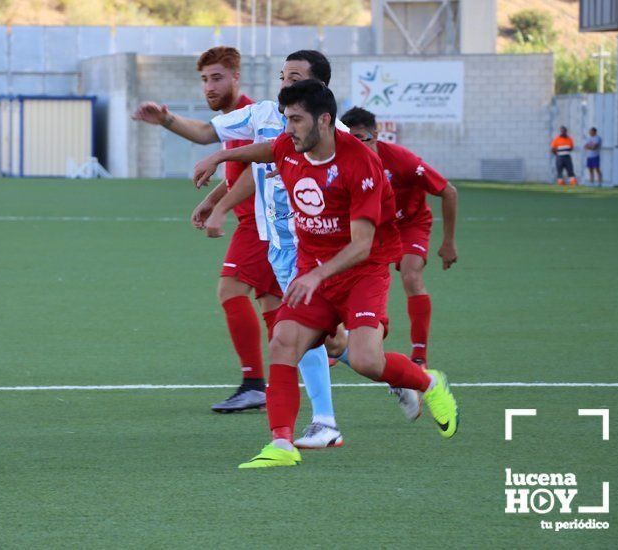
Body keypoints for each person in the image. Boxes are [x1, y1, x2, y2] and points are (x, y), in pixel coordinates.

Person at [193, 80, 459, 468]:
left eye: (296, 119)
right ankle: (282, 445)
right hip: (312, 268)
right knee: (284, 341)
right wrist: (219, 158)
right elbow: (268, 149)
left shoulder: (361, 164)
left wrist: (316, 277)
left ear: (325, 120)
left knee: (368, 360)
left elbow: (363, 244)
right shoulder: (289, 143)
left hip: (361, 273)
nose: (288, 128)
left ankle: (429, 383)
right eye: (286, 118)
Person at [133, 51, 347, 448]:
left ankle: (321, 420)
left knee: (298, 331)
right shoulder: (264, 115)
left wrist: (221, 203)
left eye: (295, 77)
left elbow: (358, 183)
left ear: (319, 88)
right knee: (324, 339)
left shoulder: (336, 132)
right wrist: (165, 119)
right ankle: (394, 376)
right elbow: (208, 136)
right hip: (277, 246)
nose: (285, 83)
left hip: (315, 245)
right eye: (283, 75)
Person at [143, 46, 282, 414]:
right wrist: (212, 200)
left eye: (217, 78)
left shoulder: (252, 114)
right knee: (277, 311)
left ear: (237, 77)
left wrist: (220, 208)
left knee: (231, 288)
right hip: (259, 222)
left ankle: (256, 384)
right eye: (204, 79)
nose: (209, 86)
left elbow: (258, 170)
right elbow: (234, 166)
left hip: (262, 224)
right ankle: (376, 366)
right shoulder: (232, 118)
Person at [332, 107, 458, 419]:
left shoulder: (400, 159)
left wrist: (448, 242)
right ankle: (338, 341)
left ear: (376, 135)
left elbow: (448, 191)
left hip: (410, 224)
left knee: (411, 276)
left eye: (363, 139)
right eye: (351, 139)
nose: (358, 146)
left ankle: (418, 359)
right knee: (337, 284)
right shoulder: (342, 162)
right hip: (372, 230)